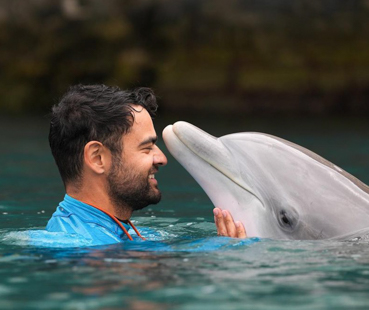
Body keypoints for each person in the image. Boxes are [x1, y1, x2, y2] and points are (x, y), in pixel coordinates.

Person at [46, 84, 246, 246]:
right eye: (146, 148)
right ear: (98, 158)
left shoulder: (116, 232)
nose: (162, 158)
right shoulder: (80, 248)